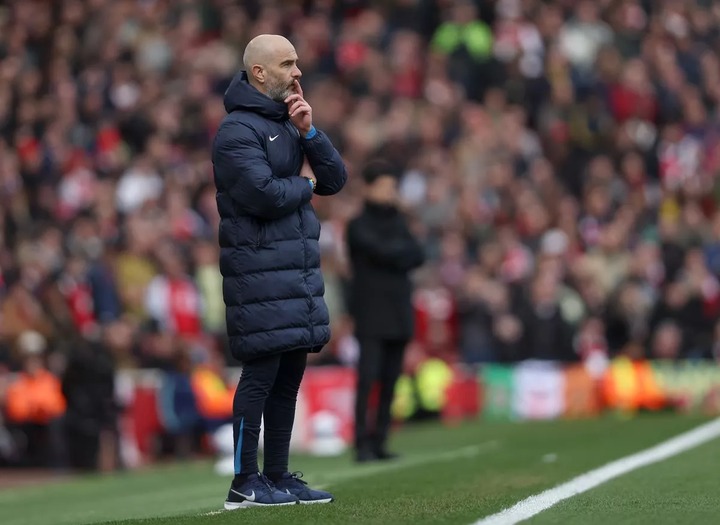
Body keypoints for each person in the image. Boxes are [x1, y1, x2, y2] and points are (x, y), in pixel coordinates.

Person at [211, 34, 347, 508]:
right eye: (288, 64)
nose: (298, 72)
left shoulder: (288, 122)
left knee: (288, 378)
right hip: (258, 276)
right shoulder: (236, 132)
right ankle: (244, 481)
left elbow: (336, 179)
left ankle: (278, 475)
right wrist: (304, 184)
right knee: (260, 376)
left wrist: (310, 133)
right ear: (259, 72)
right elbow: (265, 194)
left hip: (292, 275)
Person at [346, 160, 425, 462]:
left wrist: (395, 251)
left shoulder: (399, 223)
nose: (391, 193)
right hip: (371, 312)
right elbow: (382, 250)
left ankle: (380, 439)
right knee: (368, 378)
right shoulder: (358, 225)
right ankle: (360, 442)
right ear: (368, 188)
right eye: (386, 186)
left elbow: (416, 255)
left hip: (398, 311)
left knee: (391, 379)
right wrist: (397, 252)